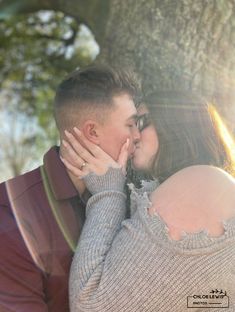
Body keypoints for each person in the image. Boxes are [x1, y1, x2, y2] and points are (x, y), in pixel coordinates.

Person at [62, 91, 235, 311]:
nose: (133, 136)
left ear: (176, 124)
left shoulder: (202, 181)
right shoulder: (207, 185)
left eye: (141, 122)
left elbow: (92, 305)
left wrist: (108, 192)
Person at [0, 65, 141, 312]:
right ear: (92, 132)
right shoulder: (9, 213)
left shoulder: (137, 195)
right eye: (131, 125)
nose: (138, 136)